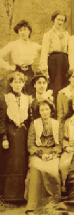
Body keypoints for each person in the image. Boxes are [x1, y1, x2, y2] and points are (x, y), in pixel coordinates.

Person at [25, 99, 62, 214]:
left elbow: (60, 143)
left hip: (53, 153)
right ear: (39, 112)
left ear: (51, 110)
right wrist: (41, 154)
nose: (45, 112)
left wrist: (52, 154)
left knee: (53, 170)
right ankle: (33, 205)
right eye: (42, 110)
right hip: (37, 153)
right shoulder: (34, 123)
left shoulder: (57, 123)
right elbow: (30, 144)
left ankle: (53, 202)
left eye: (47, 109)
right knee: (36, 168)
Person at [0, 71, 30, 201]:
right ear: (11, 84)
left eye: (20, 82)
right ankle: (9, 195)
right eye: (15, 82)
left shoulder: (26, 98)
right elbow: (2, 120)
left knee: (21, 161)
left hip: (22, 133)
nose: (18, 85)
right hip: (10, 132)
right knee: (11, 162)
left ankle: (21, 194)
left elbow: (30, 118)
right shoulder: (5, 98)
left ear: (23, 84)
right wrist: (4, 137)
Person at [0, 20, 41, 95]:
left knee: (29, 96)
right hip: (16, 72)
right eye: (20, 30)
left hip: (29, 74)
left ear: (29, 31)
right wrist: (9, 67)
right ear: (18, 32)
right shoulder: (13, 44)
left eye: (25, 29)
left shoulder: (34, 46)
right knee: (15, 95)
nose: (22, 32)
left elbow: (47, 51)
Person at [39, 11, 70, 100]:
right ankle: (53, 106)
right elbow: (44, 51)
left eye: (62, 20)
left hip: (64, 60)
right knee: (54, 83)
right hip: (53, 60)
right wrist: (43, 67)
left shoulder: (66, 34)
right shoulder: (48, 34)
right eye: (58, 20)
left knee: (64, 83)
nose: (60, 22)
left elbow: (69, 50)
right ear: (54, 20)